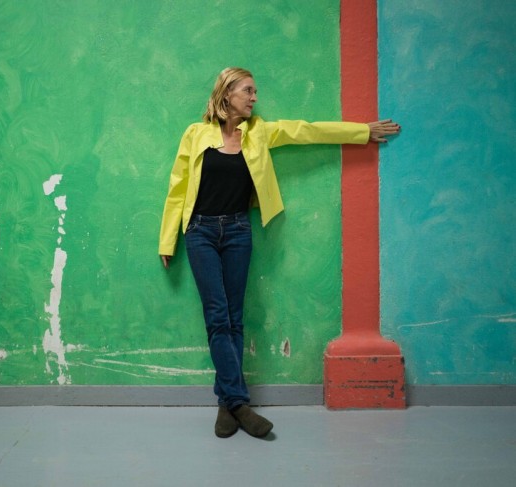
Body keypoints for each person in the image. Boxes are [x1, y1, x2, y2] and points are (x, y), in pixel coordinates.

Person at [158, 67, 400, 439]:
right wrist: (167, 240)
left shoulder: (260, 132)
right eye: (248, 91)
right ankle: (240, 403)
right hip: (200, 233)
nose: (255, 98)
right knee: (218, 317)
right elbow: (178, 187)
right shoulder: (196, 134)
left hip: (238, 231)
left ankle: (226, 404)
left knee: (235, 319)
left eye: (255, 92)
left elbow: (308, 131)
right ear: (227, 94)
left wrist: (362, 132)